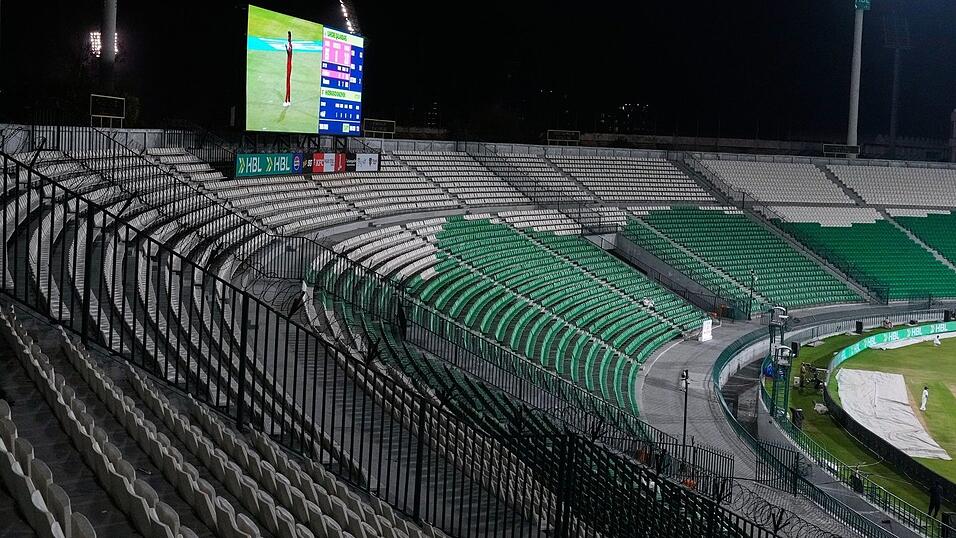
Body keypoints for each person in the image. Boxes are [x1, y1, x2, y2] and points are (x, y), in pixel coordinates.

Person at [283, 31, 293, 107]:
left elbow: (289, 54)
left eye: (288, 37)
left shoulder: (290, 45)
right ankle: (288, 100)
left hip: (289, 66)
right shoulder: (290, 45)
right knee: (288, 83)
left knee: (288, 83)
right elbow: (289, 54)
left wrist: (286, 48)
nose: (287, 38)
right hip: (288, 65)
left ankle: (286, 100)